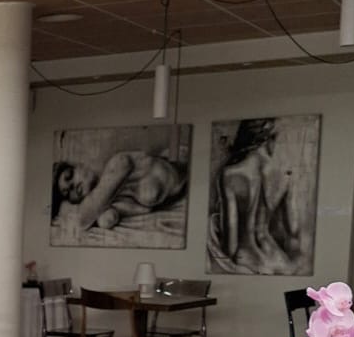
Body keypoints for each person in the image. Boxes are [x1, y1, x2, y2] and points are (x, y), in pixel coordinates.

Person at [207, 117, 307, 275]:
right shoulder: (285, 175)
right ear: (271, 139)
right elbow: (293, 229)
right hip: (277, 260)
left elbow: (230, 247)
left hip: (247, 260)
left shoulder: (230, 174)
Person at [51, 147, 188, 235]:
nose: (72, 187)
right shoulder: (110, 203)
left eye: (69, 176)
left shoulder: (117, 163)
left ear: (80, 166)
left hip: (187, 172)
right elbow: (108, 219)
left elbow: (82, 219)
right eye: (67, 193)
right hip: (179, 194)